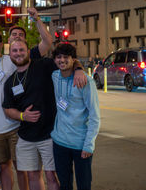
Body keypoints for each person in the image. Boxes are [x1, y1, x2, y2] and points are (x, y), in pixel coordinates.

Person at [0, 8, 52, 190]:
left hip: (17, 126)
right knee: (3, 167)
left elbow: (47, 43)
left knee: (23, 168)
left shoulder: (14, 57)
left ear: (0, 44)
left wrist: (37, 20)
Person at [3, 39, 86, 190]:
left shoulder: (43, 65)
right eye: (14, 51)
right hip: (25, 137)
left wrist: (79, 69)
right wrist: (22, 116)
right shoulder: (10, 81)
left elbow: (66, 61)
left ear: (28, 52)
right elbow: (7, 109)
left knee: (51, 176)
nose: (18, 53)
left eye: (22, 50)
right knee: (33, 175)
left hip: (50, 135)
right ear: (10, 55)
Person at [51, 43, 100, 190]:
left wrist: (89, 144)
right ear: (54, 60)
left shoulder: (85, 81)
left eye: (66, 57)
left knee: (83, 185)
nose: (62, 60)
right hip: (59, 142)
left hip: (80, 144)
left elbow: (94, 115)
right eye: (59, 57)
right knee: (64, 185)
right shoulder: (54, 76)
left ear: (73, 59)